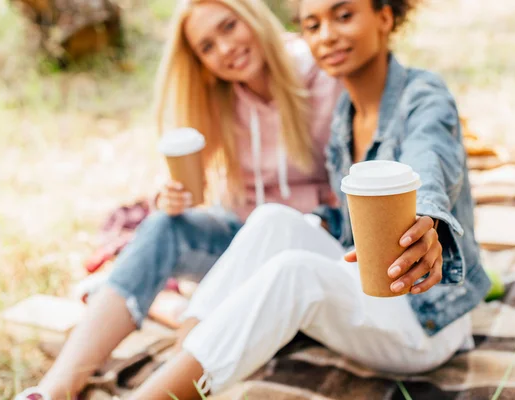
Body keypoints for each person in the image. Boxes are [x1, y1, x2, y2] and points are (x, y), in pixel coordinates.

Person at [114, 0, 492, 398]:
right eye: (312, 25)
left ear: (384, 16)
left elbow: (430, 161)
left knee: (296, 271)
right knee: (273, 219)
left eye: (343, 16)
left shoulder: (425, 96)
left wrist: (426, 219)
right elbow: (348, 223)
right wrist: (318, 223)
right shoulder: (344, 110)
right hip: (369, 288)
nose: (327, 36)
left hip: (427, 318)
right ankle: (182, 356)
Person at [16, 0, 341, 398]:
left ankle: (173, 364)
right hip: (241, 243)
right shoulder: (217, 95)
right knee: (162, 226)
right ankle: (55, 387)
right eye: (206, 46)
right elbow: (185, 180)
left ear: (253, 17)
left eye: (228, 27)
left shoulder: (324, 71)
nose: (224, 49)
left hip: (316, 247)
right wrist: (168, 195)